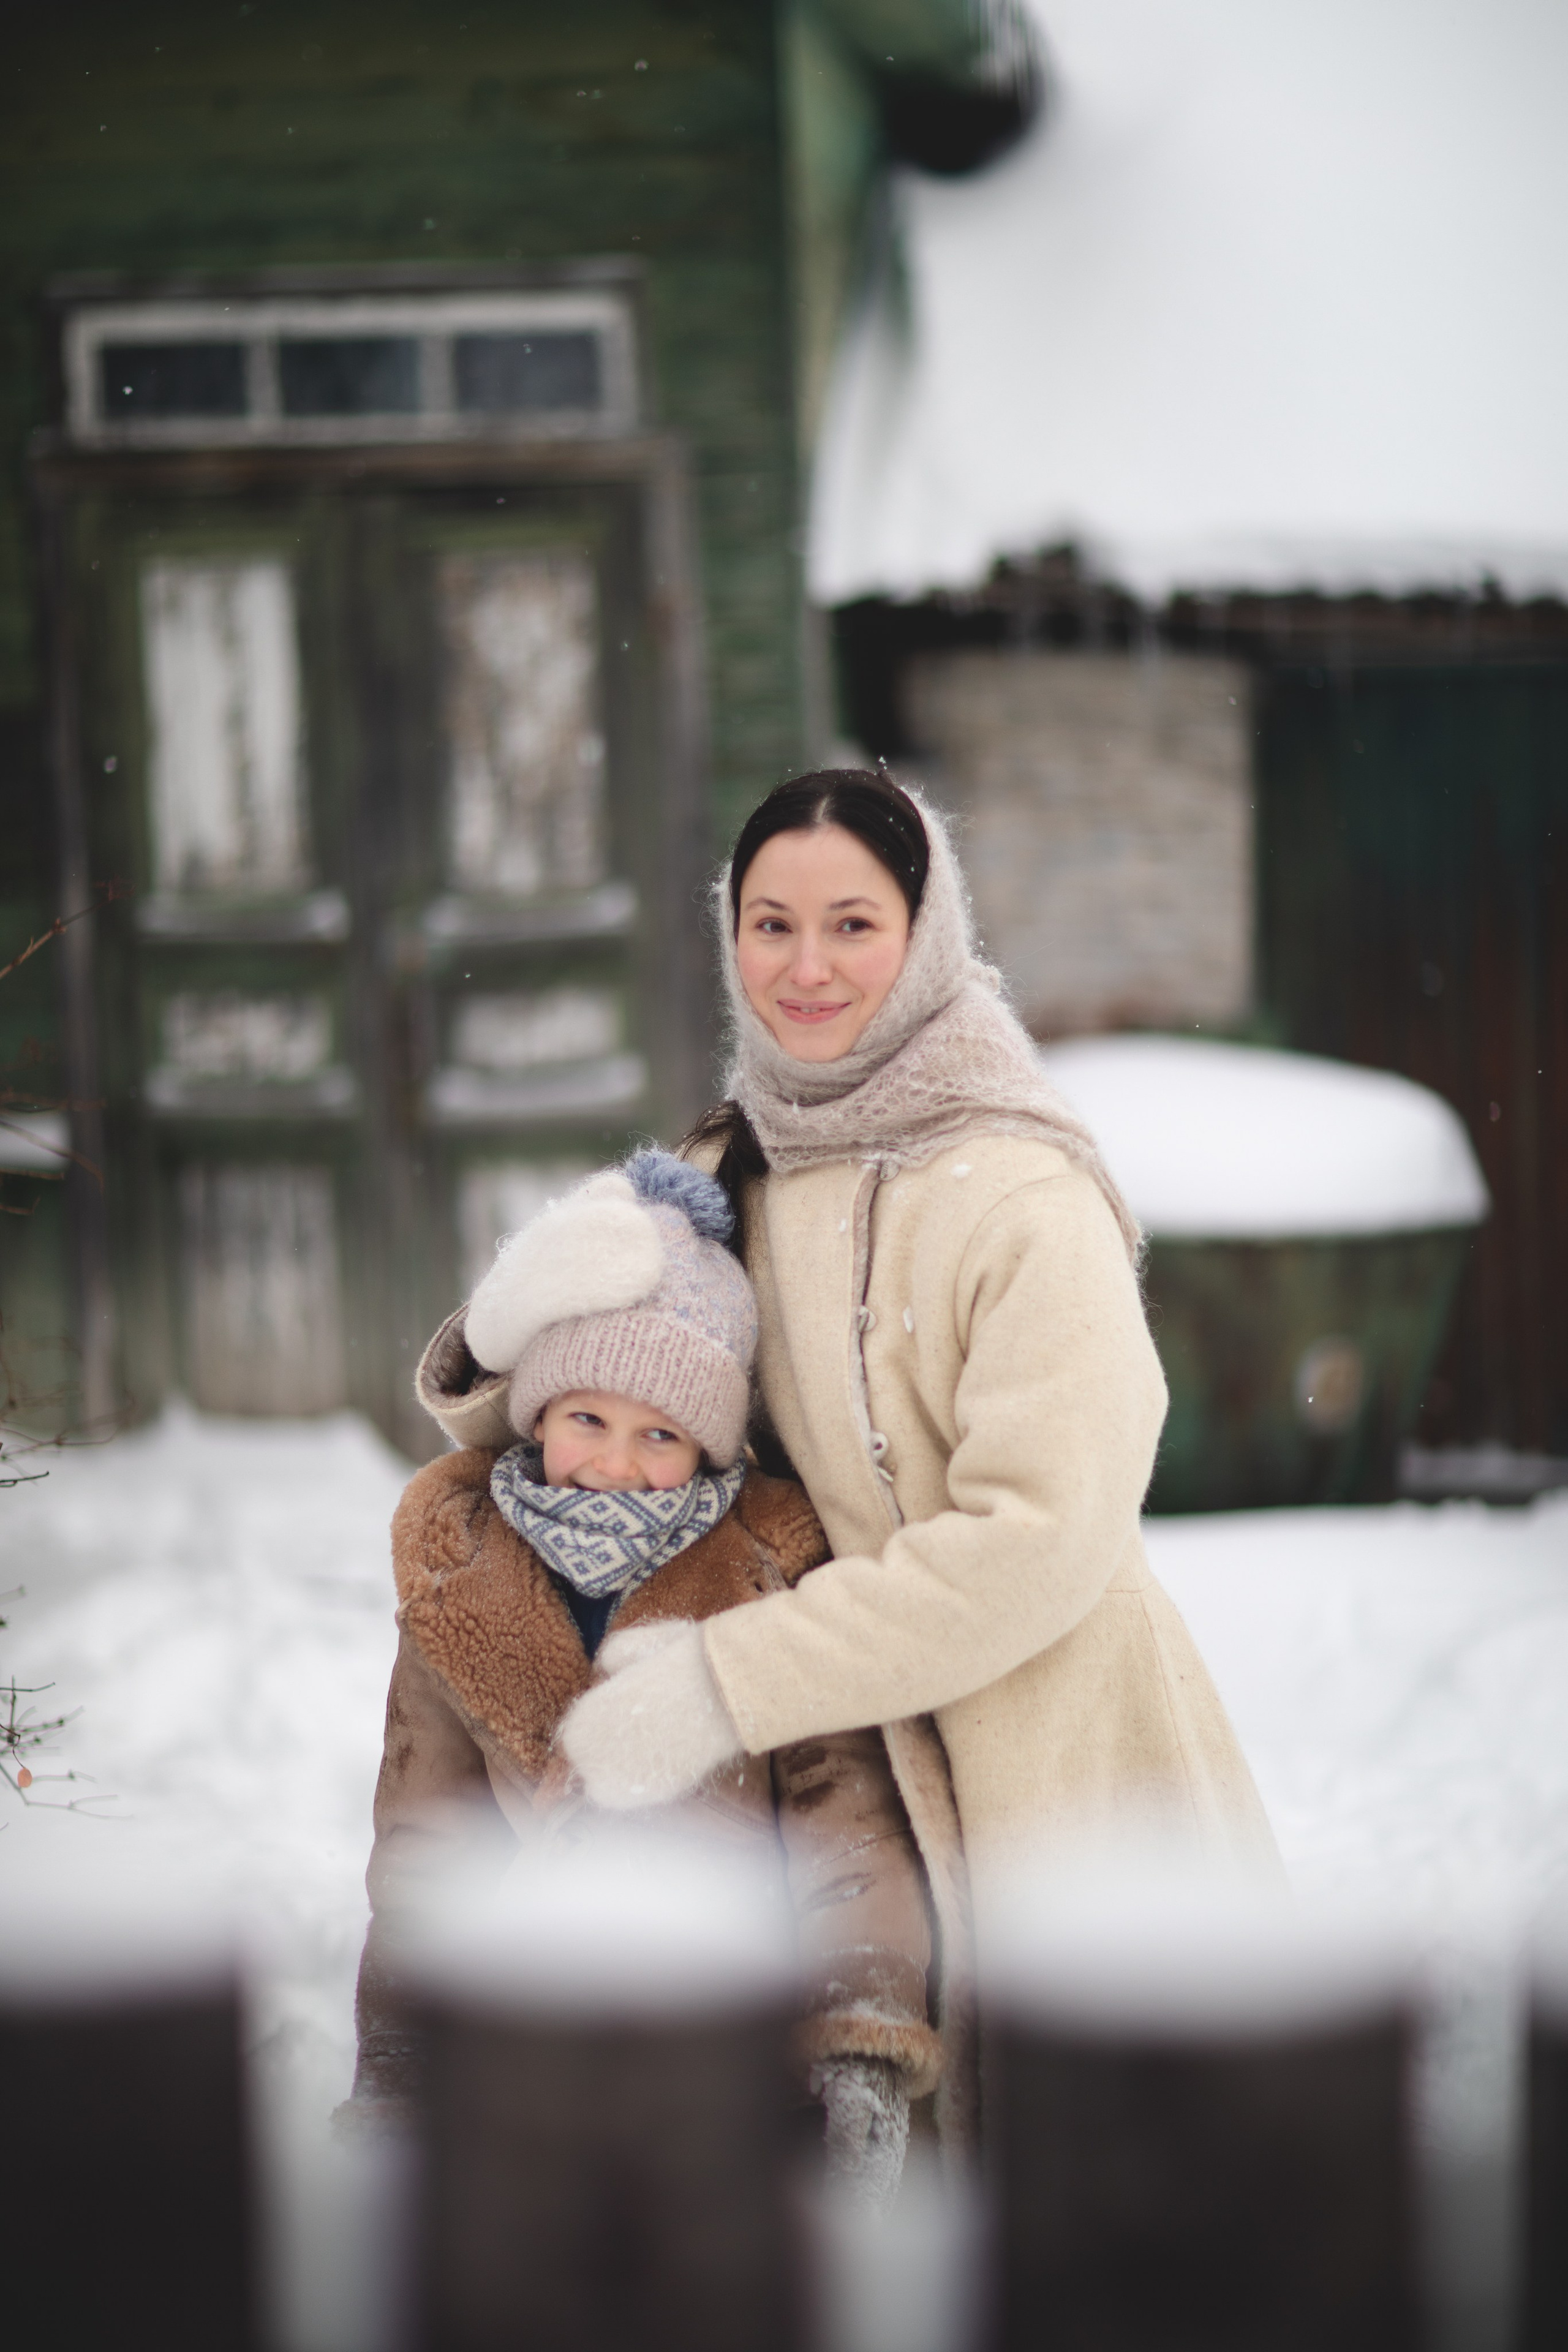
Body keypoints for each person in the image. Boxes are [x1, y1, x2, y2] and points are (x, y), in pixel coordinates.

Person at [420, 771, 1280, 2145]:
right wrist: (516, 1318)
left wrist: (726, 1679)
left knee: (1123, 2217)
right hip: (838, 1807)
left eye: (851, 924)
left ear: (926, 932)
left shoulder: (1022, 1194)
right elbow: (570, 1432)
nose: (804, 968)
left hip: (1056, 1771)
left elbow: (1037, 1539)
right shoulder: (725, 1172)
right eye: (769, 924)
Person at [349, 1148, 940, 2206]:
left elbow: (842, 1826)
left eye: (660, 1434)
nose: (616, 1463)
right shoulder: (459, 1578)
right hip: (531, 2040)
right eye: (588, 1420)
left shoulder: (774, 1576)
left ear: (712, 1447)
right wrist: (400, 2069)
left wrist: (859, 2032)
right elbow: (429, 1850)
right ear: (535, 1414)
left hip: (734, 2051)